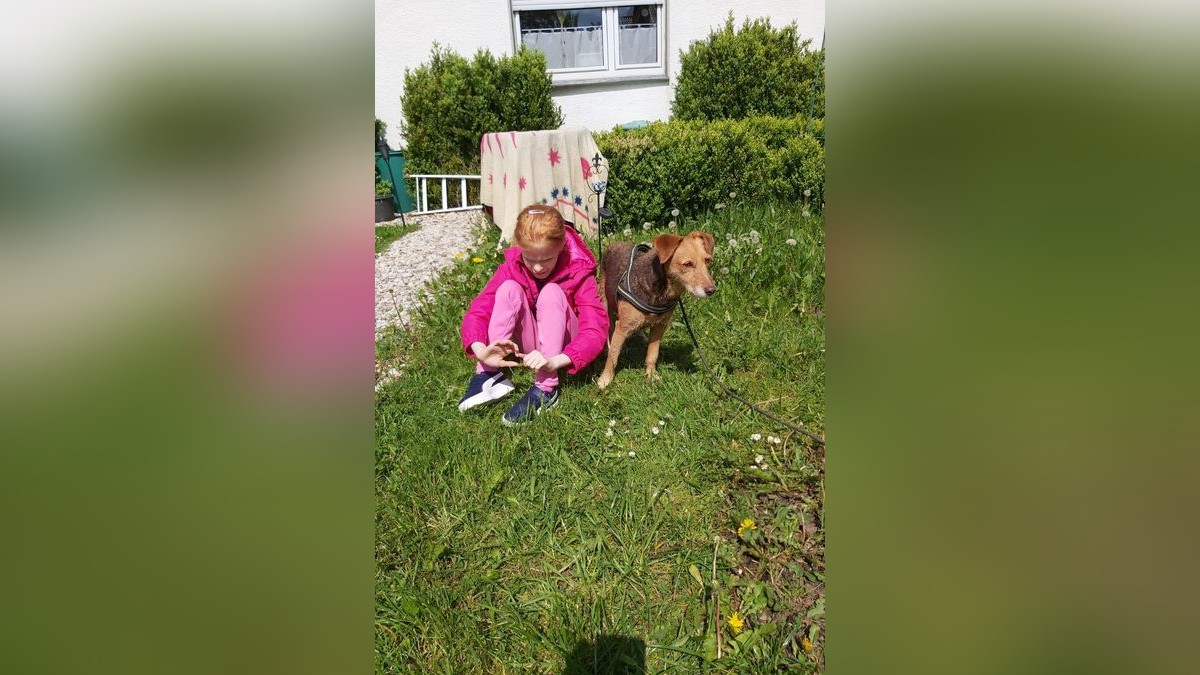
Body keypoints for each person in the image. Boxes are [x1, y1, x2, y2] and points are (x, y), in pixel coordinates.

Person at [459, 205, 609, 425]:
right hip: (534, 344)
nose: (538, 268)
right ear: (520, 249)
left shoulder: (578, 269)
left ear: (561, 247)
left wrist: (554, 361)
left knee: (551, 293)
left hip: (563, 348)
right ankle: (489, 372)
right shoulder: (513, 265)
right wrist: (481, 351)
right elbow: (479, 309)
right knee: (508, 288)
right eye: (530, 259)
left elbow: (595, 329)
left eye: (547, 259)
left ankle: (547, 387)